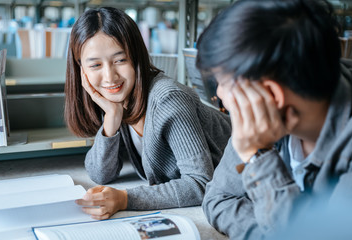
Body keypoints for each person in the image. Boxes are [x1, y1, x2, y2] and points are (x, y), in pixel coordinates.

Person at [196, 0, 352, 239]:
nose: (219, 94)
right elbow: (218, 199)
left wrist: (258, 156)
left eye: (224, 83)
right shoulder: (264, 117)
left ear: (270, 95)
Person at [64, 7, 231, 220]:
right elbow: (100, 174)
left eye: (120, 60)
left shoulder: (168, 99)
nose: (109, 77)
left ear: (136, 57)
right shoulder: (119, 101)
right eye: (95, 65)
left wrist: (125, 198)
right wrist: (112, 119)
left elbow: (200, 183)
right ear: (81, 71)